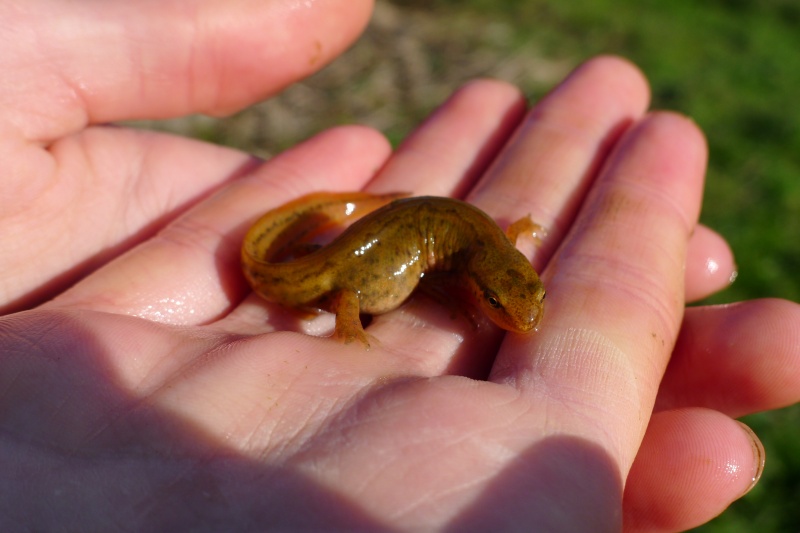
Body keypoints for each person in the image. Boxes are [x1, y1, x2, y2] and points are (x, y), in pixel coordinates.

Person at [1, 1, 798, 531]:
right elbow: (459, 267)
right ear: (481, 280)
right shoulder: (465, 266)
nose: (519, 321)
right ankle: (345, 304)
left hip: (410, 230)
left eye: (522, 302)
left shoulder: (493, 257)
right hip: (379, 246)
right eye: (500, 302)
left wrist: (492, 258)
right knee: (361, 284)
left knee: (388, 269)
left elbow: (494, 252)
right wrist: (353, 324)